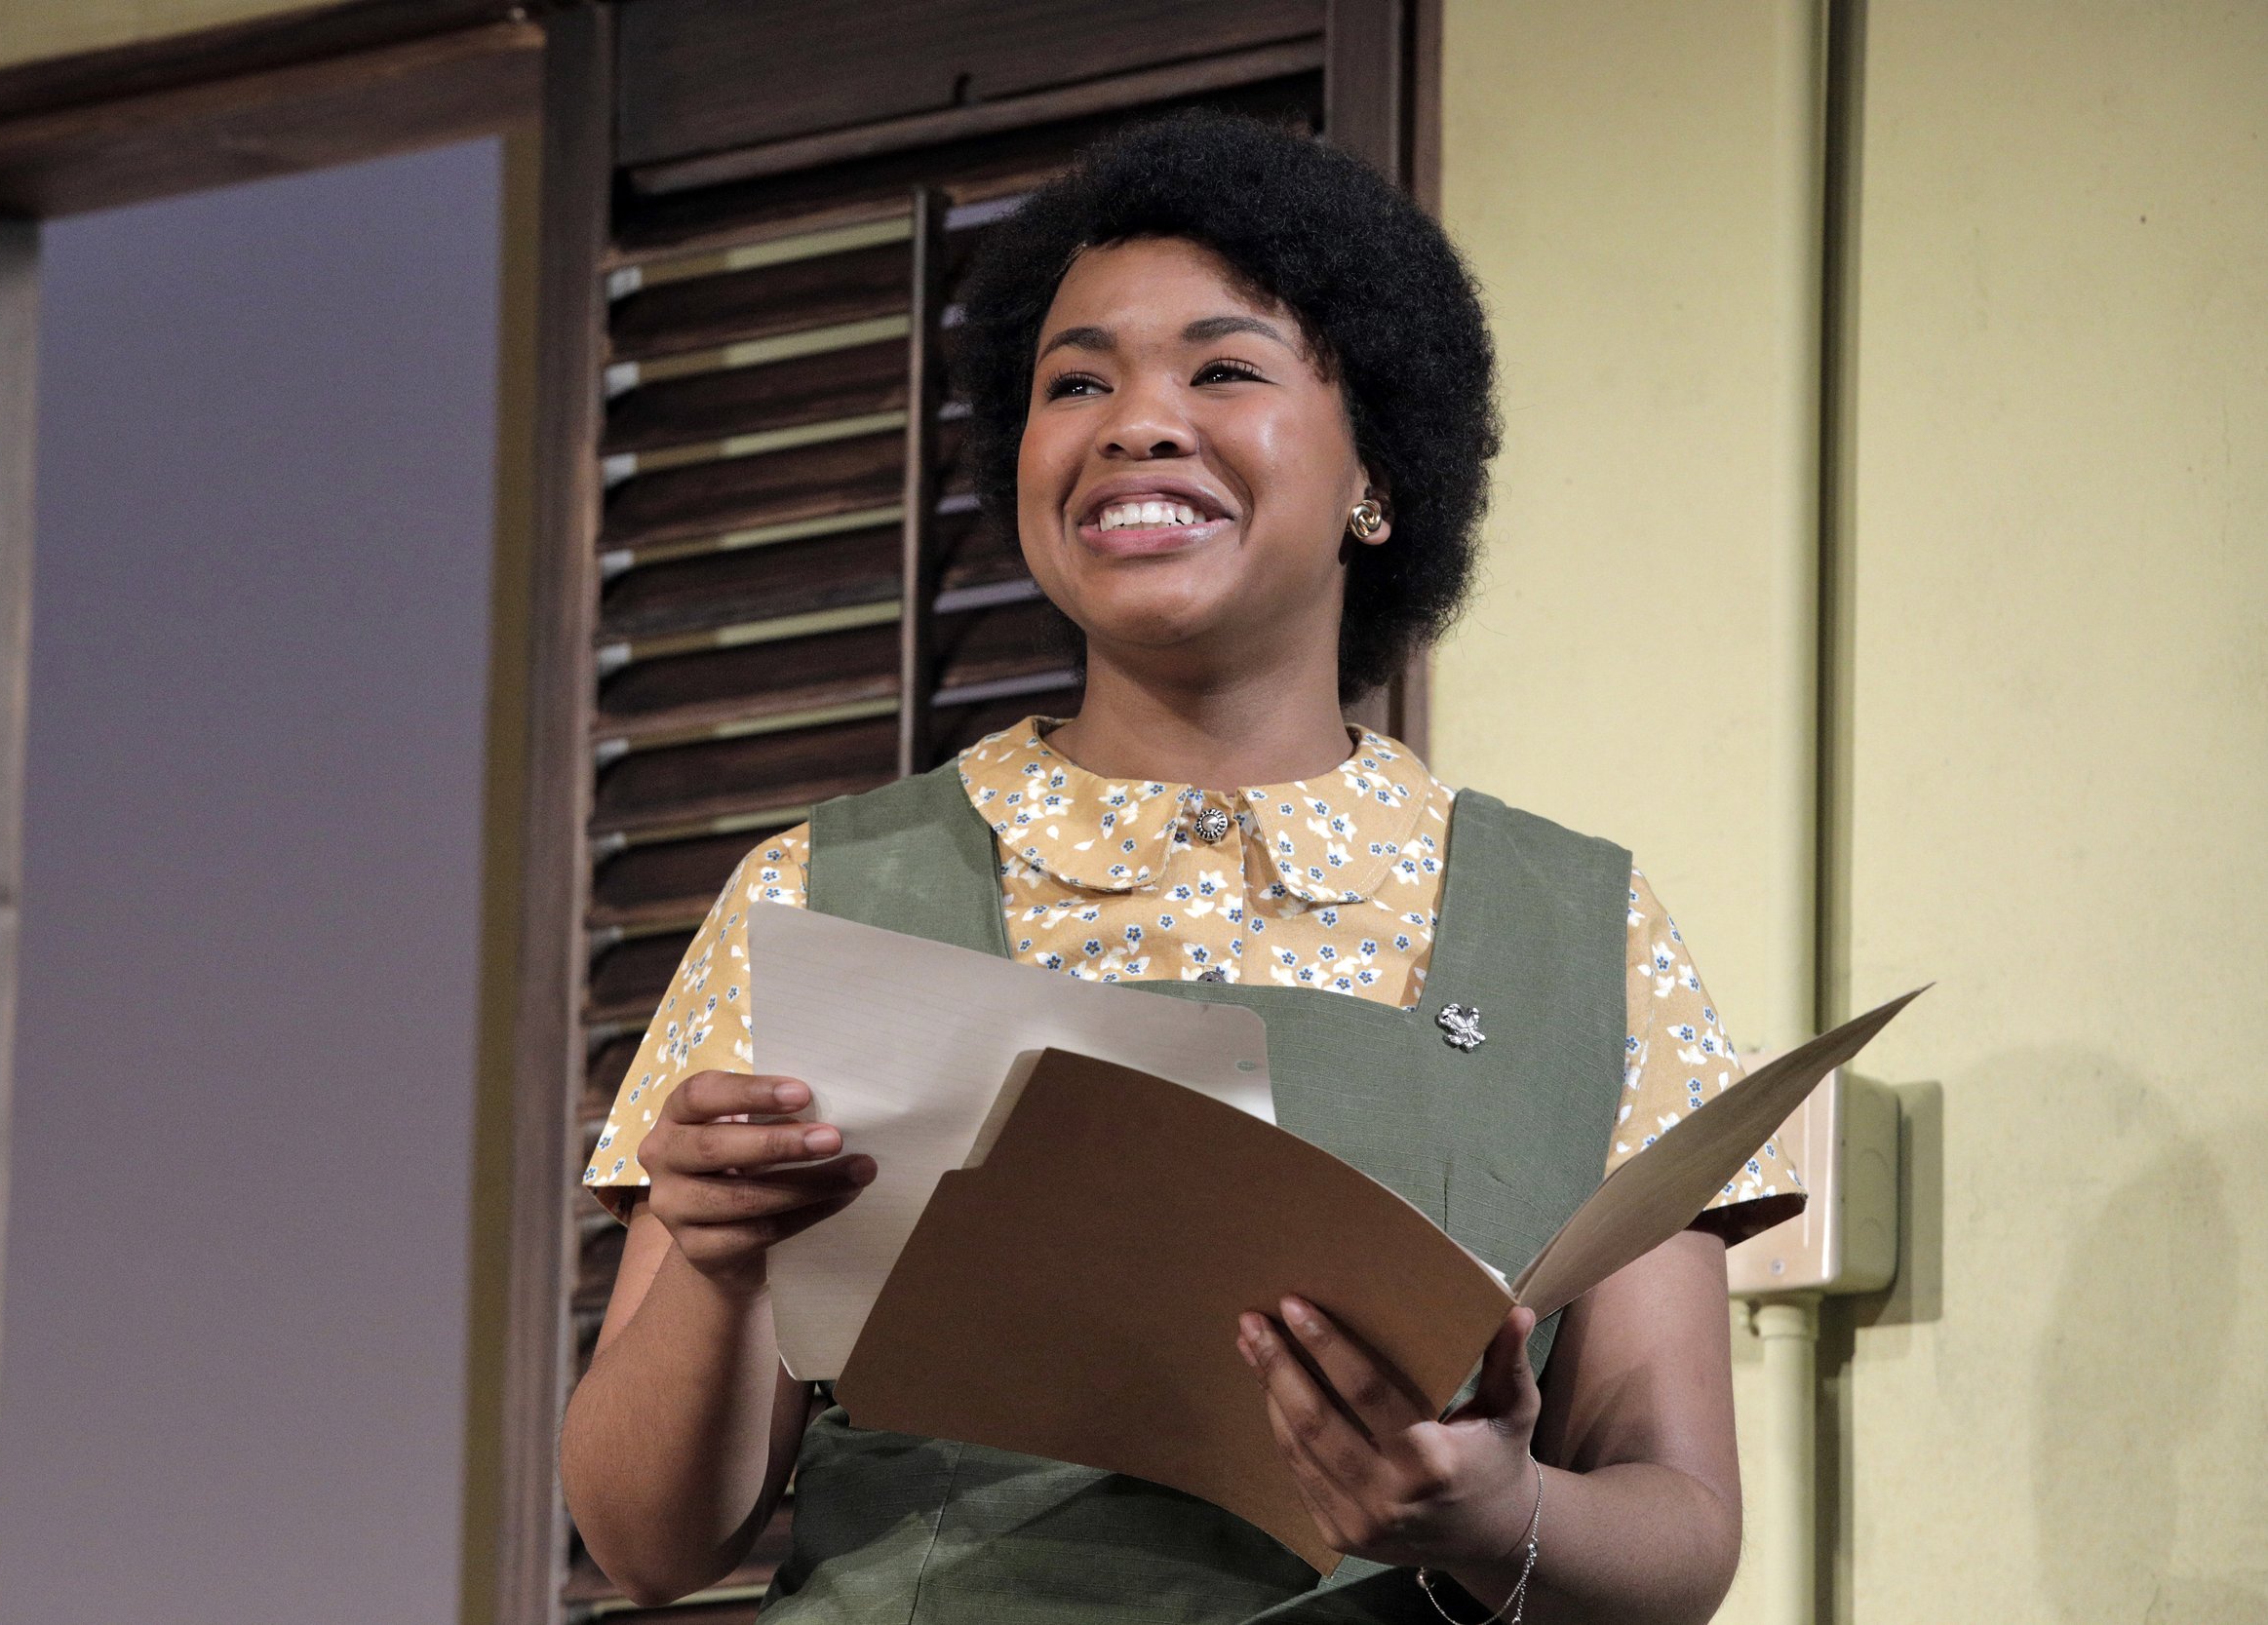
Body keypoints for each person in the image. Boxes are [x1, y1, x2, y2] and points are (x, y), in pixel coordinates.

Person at [563, 112, 1804, 1625]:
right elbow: (647, 1544)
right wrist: (712, 1266)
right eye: (1076, 382)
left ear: (1378, 472)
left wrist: (1495, 1516)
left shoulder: (1584, 931)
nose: (1136, 423)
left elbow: (1680, 1535)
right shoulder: (819, 893)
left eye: (1223, 371)